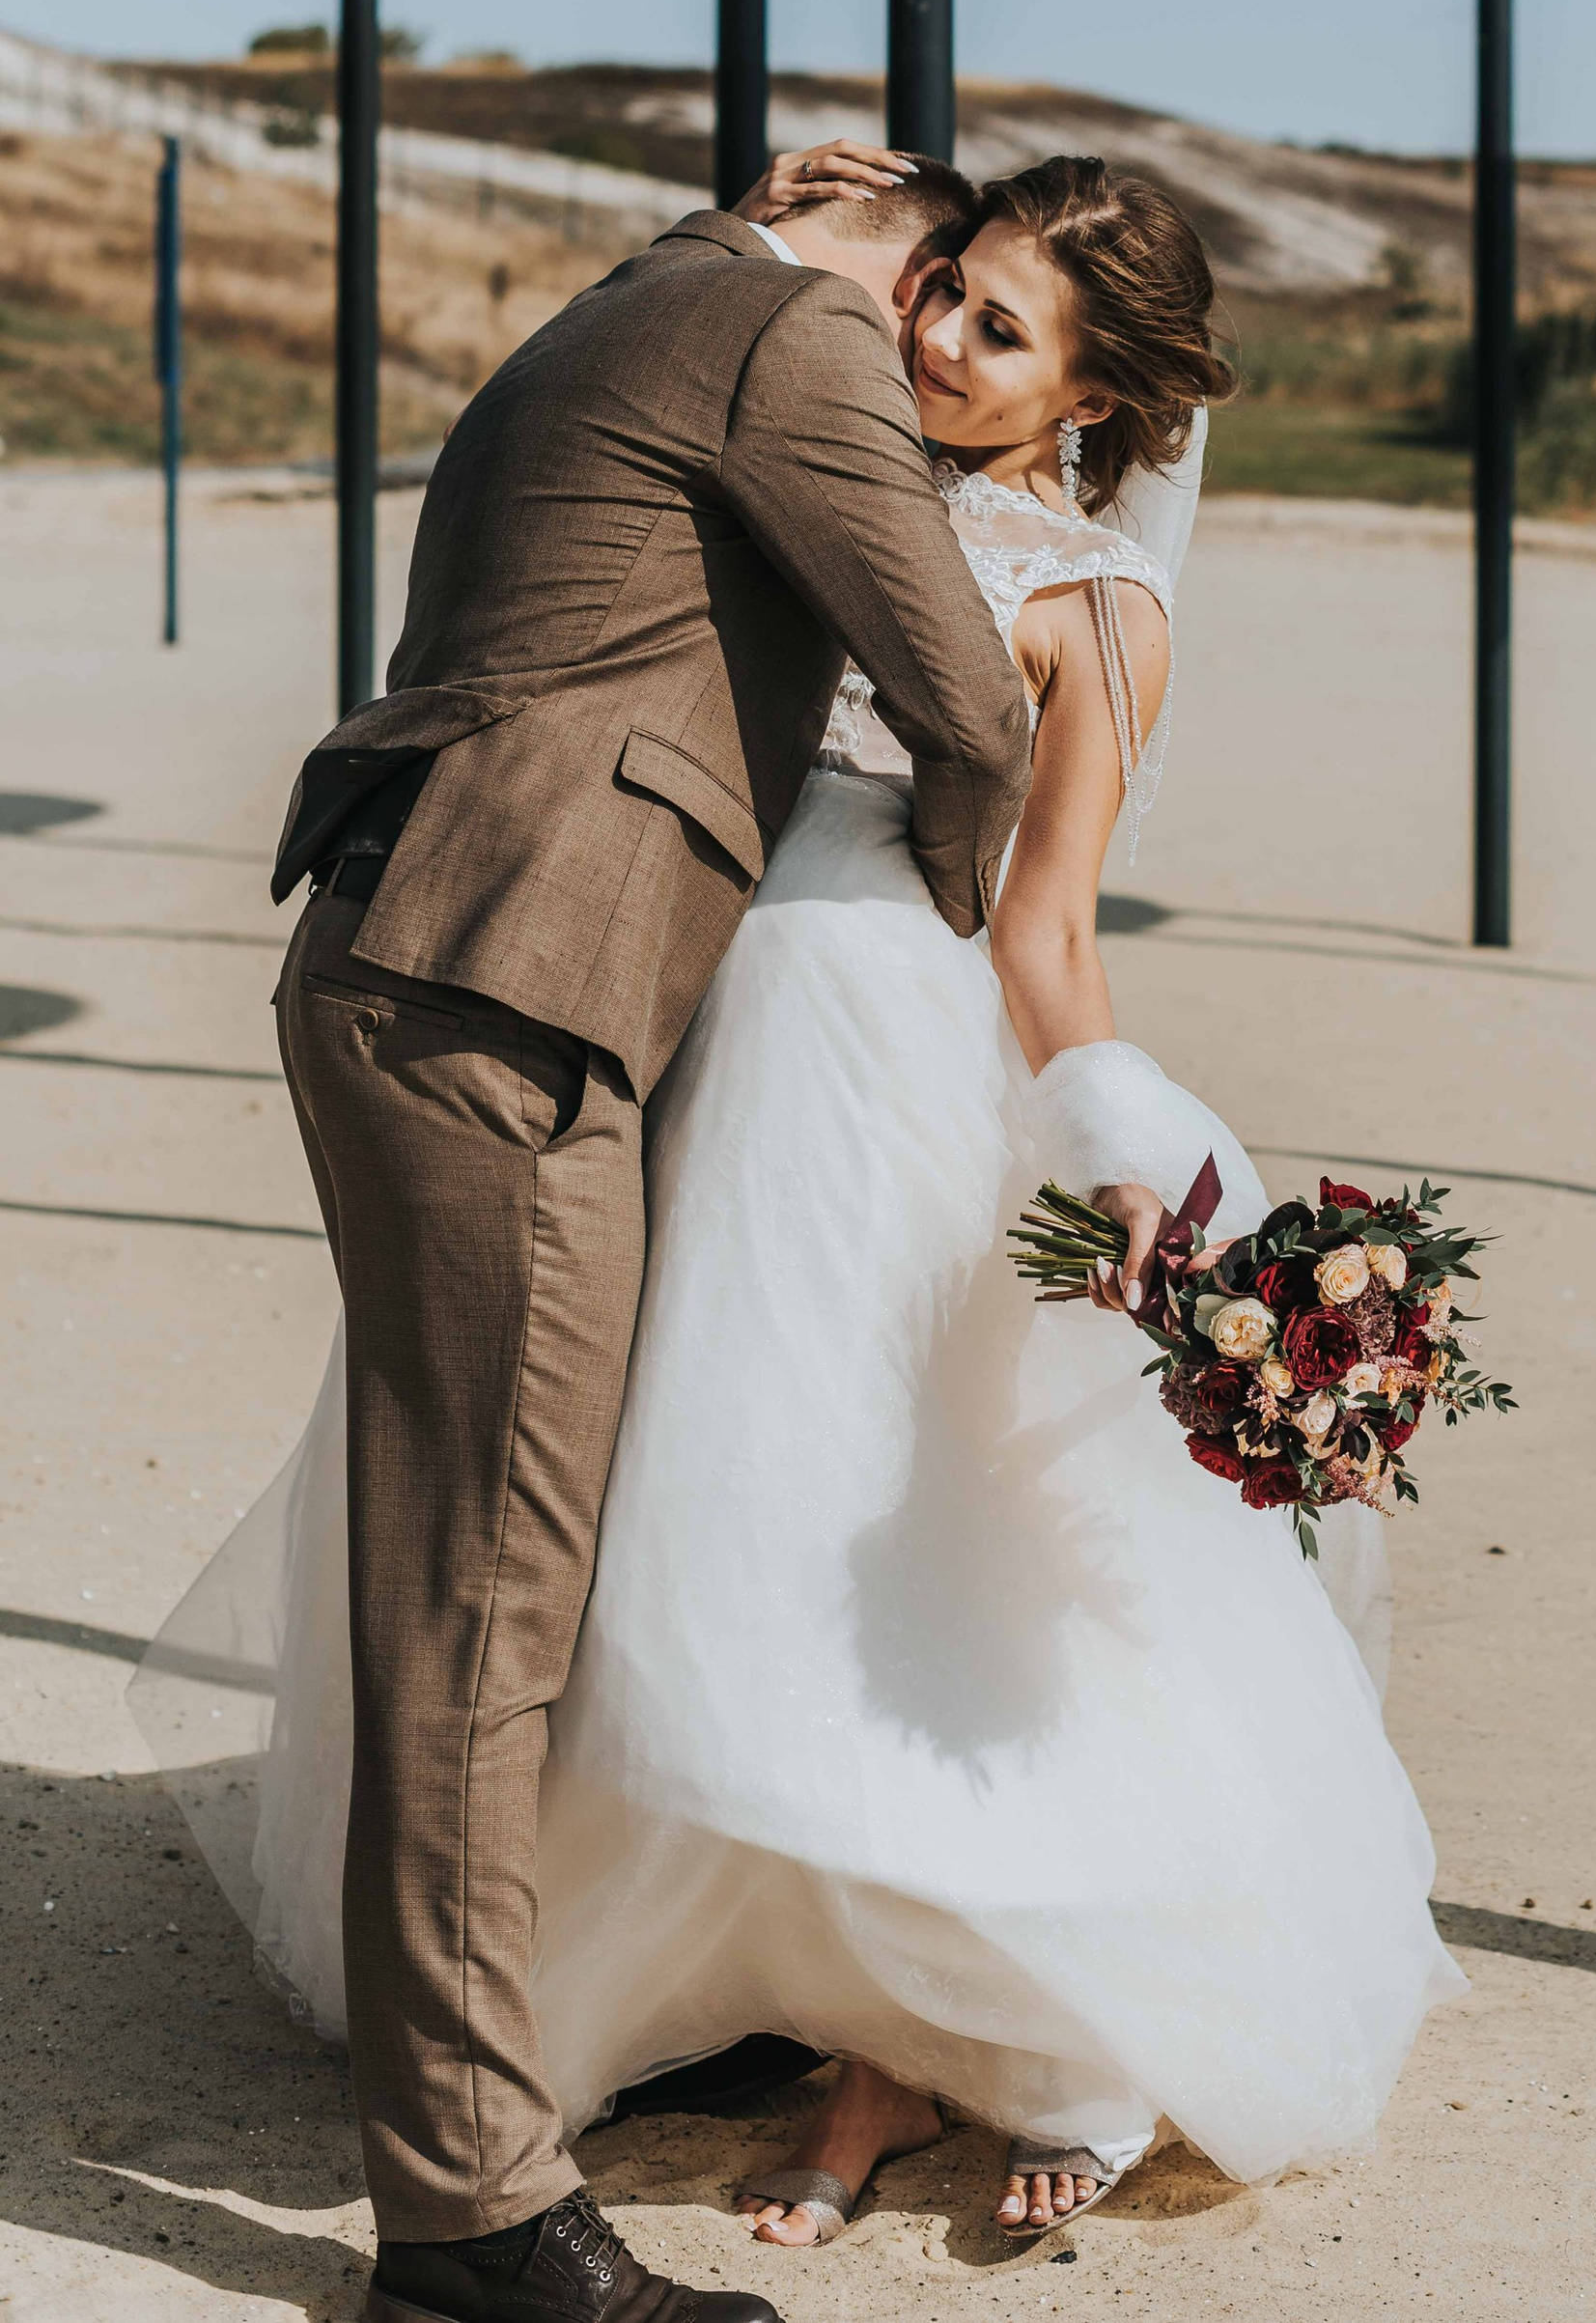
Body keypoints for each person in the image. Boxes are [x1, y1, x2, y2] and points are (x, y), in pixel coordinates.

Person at [142, 151, 1460, 2281]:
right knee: (626, 1526)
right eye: (945, 286)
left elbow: (1042, 926)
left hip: (859, 1067)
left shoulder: (1091, 610)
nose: (936, 338)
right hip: (660, 1019)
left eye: (998, 327)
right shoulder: (796, 433)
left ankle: (909, 2032)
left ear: (1096, 406)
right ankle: (702, 1994)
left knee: (848, 1530)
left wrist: (1109, 1133)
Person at [240, 159, 1033, 2323]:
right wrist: (941, 932)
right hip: (503, 986)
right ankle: (473, 2218)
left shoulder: (623, 312)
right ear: (825, 198)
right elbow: (970, 702)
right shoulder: (782, 328)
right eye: (928, 267)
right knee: (482, 1603)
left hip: (444, 955)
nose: (925, 325)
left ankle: (536, 2071)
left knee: (503, 1575)